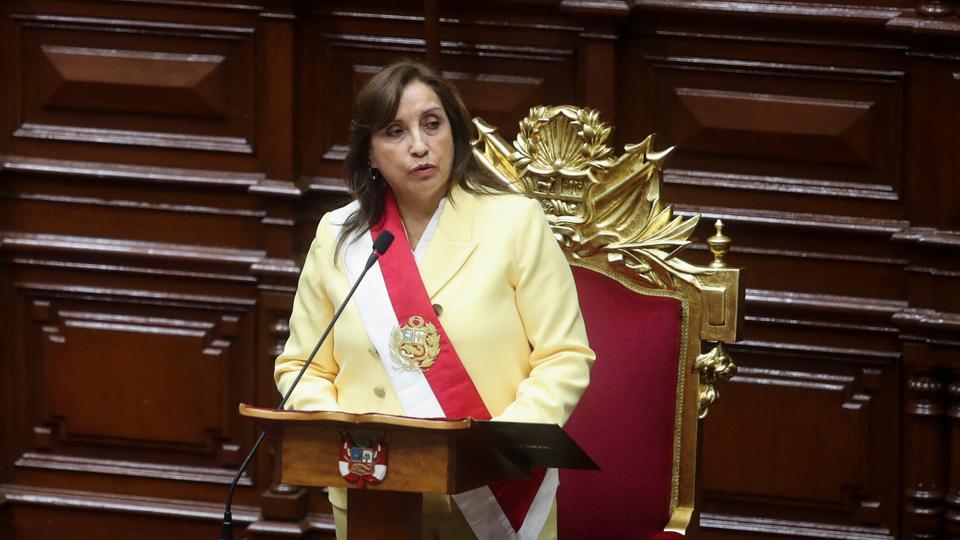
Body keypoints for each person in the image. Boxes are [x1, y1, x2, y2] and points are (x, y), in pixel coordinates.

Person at [274, 59, 595, 540]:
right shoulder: (338, 236)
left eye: (432, 124)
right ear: (370, 154)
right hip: (373, 493)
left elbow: (564, 357)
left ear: (455, 134)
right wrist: (351, 441)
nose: (419, 146)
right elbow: (301, 368)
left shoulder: (515, 223)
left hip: (492, 493)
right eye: (395, 132)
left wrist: (501, 448)